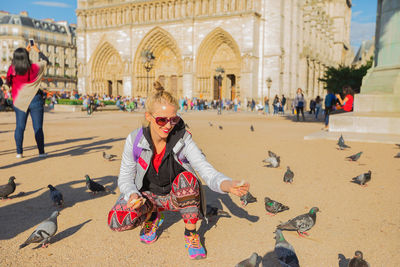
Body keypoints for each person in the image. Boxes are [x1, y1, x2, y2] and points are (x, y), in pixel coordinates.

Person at [107, 87, 250, 260]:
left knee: (187, 180)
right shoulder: (135, 139)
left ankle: (190, 234)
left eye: (173, 119)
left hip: (176, 197)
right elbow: (125, 177)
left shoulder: (183, 139)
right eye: (161, 120)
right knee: (117, 220)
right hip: (148, 198)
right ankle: (153, 215)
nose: (168, 126)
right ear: (148, 117)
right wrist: (131, 195)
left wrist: (227, 184)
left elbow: (206, 170)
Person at [6, 44, 49, 158]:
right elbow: (46, 61)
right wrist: (37, 50)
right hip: (35, 99)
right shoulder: (34, 67)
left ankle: (19, 153)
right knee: (38, 127)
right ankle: (41, 152)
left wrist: (25, 51)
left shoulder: (12, 69)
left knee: (19, 127)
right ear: (26, 56)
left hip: (19, 101)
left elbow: (8, 82)